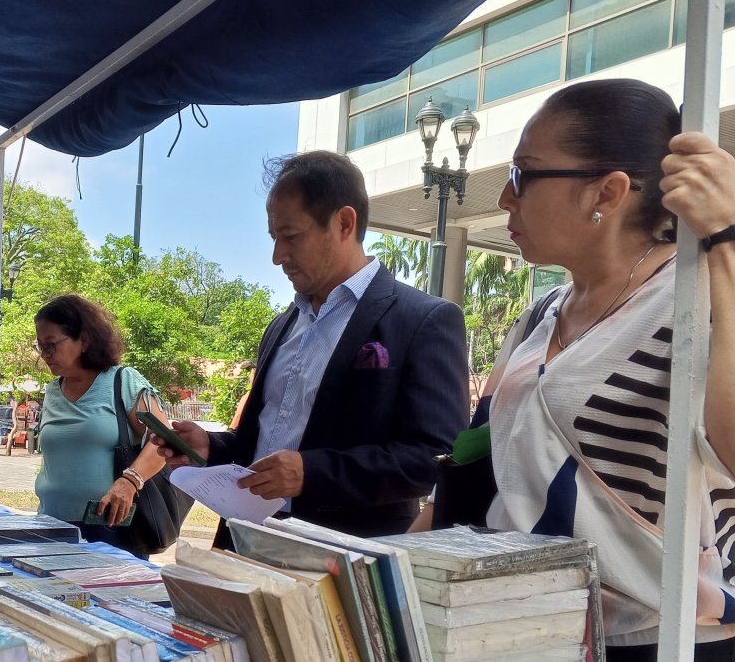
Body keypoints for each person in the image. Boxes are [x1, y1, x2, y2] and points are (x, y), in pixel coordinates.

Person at [417, 79, 735, 658]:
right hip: (526, 626)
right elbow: (477, 464)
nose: (505, 200)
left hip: (659, 636)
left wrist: (727, 242)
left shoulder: (698, 296)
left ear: (607, 192)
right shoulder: (542, 313)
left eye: (523, 175)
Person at [156, 150, 470, 545]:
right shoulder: (283, 324)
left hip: (341, 559)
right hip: (243, 541)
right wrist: (212, 446)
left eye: (290, 237)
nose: (277, 257)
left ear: (344, 223)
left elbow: (433, 458)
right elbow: (265, 441)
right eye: (274, 238)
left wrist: (312, 472)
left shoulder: (422, 319)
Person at [32, 294, 173, 559]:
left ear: (83, 340)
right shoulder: (51, 391)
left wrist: (130, 481)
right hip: (50, 528)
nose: (44, 355)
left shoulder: (123, 381)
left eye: (51, 345)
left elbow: (162, 441)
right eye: (40, 346)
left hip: (112, 533)